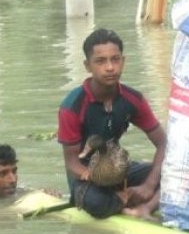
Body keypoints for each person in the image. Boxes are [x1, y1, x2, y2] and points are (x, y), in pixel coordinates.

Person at [57, 28, 166, 220]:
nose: (110, 67)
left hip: (117, 169)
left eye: (115, 59)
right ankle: (127, 200)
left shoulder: (133, 99)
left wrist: (148, 185)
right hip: (87, 176)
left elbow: (163, 143)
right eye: (100, 61)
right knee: (96, 203)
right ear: (87, 66)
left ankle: (145, 208)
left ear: (123, 61)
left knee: (176, 173)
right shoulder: (72, 106)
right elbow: (72, 162)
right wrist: (97, 177)